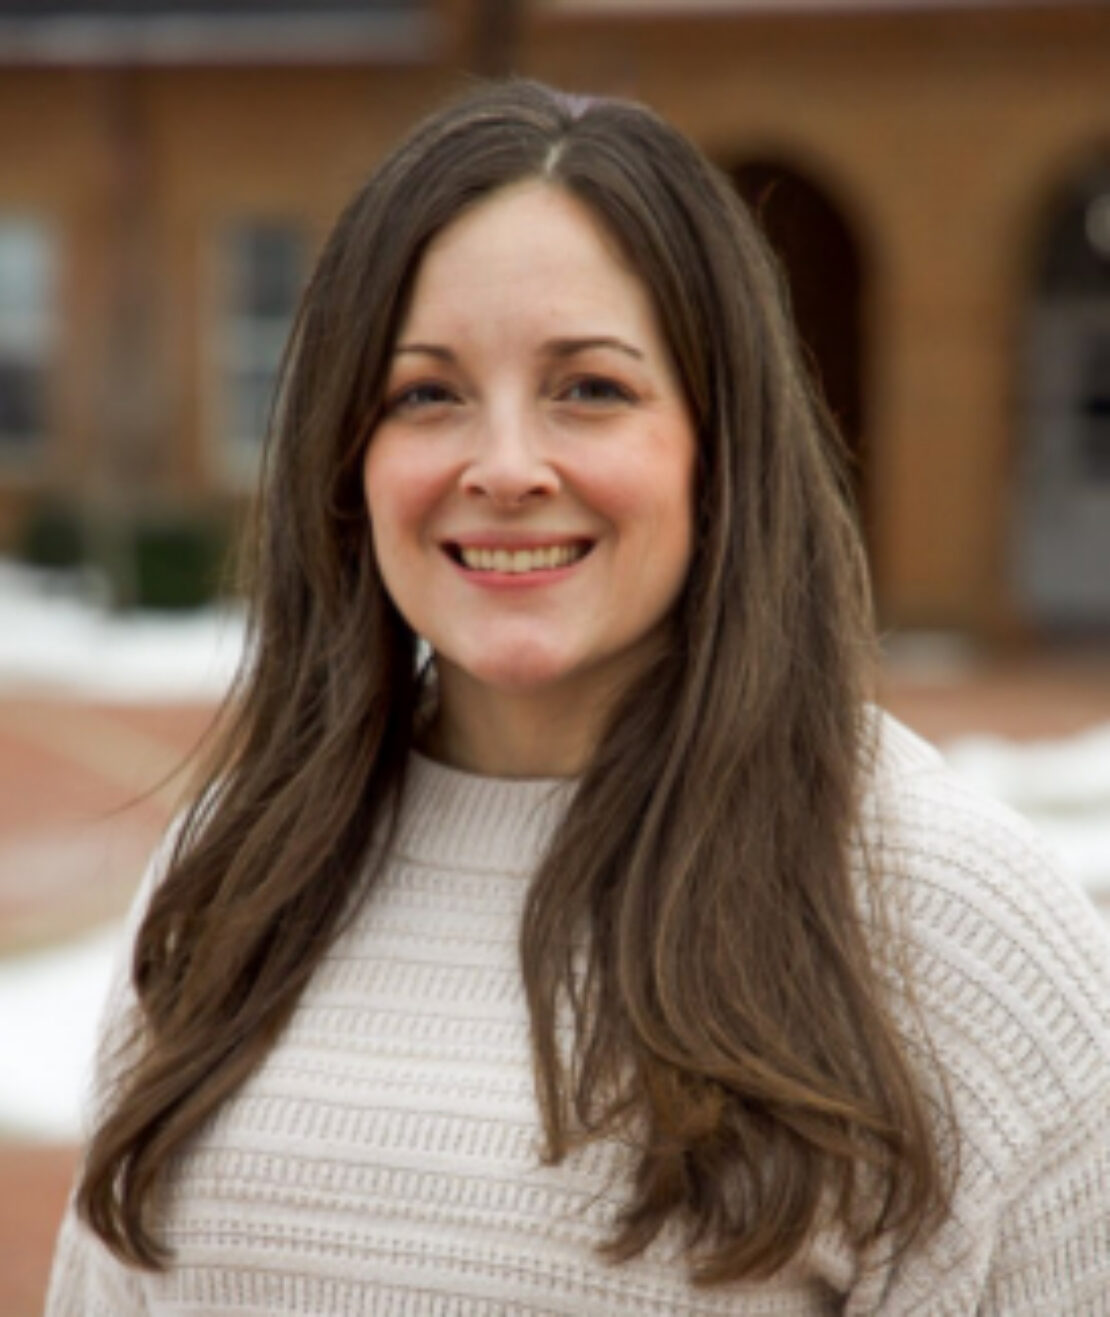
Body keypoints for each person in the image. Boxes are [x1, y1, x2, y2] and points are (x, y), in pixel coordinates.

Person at [47, 79, 1110, 1314]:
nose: (504, 467)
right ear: (347, 453)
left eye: (591, 389)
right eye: (425, 394)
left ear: (719, 445)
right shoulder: (238, 877)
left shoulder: (951, 924)